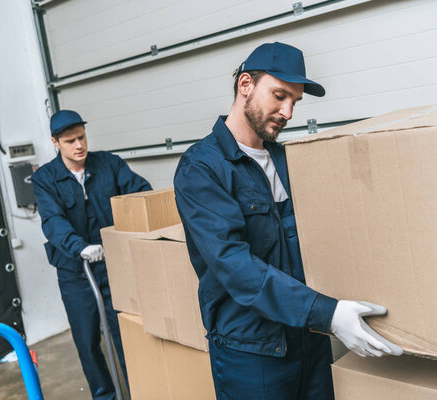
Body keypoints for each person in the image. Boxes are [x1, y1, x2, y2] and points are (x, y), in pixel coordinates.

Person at [174, 42, 402, 400]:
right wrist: (327, 313)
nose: (288, 112)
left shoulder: (289, 160)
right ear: (245, 84)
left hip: (308, 338)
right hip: (252, 351)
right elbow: (234, 265)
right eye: (280, 96)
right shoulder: (202, 168)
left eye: (295, 101)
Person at [32, 110, 152, 400]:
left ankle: (142, 390)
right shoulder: (45, 178)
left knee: (126, 332)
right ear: (55, 142)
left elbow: (141, 193)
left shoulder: (108, 164)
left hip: (113, 265)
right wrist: (79, 247)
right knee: (87, 341)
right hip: (76, 271)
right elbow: (52, 221)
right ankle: (105, 395)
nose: (79, 146)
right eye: (70, 140)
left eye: (82, 137)